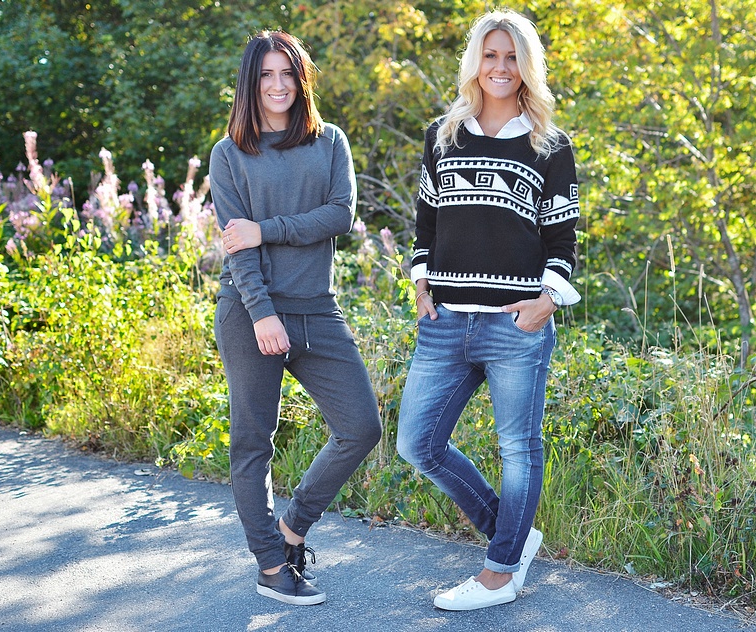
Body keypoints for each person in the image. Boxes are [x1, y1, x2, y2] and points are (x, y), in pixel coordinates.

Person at [396, 8, 580, 611]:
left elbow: (563, 239)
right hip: (444, 320)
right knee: (416, 444)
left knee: (518, 449)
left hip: (515, 325)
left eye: (512, 57)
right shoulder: (442, 136)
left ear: (527, 67)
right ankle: (514, 537)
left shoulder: (549, 145)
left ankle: (501, 572)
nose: (500, 67)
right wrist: (421, 283)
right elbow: (425, 223)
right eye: (491, 55)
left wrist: (546, 302)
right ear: (475, 61)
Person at [209, 30, 382, 606]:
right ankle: (269, 566)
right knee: (253, 441)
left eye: (287, 73)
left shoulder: (329, 141)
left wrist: (267, 229)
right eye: (266, 74)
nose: (278, 85)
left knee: (362, 426)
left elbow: (340, 215)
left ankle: (291, 530)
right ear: (250, 83)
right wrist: (262, 314)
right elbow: (238, 246)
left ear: (301, 79)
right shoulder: (229, 153)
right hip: (250, 311)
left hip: (317, 310)